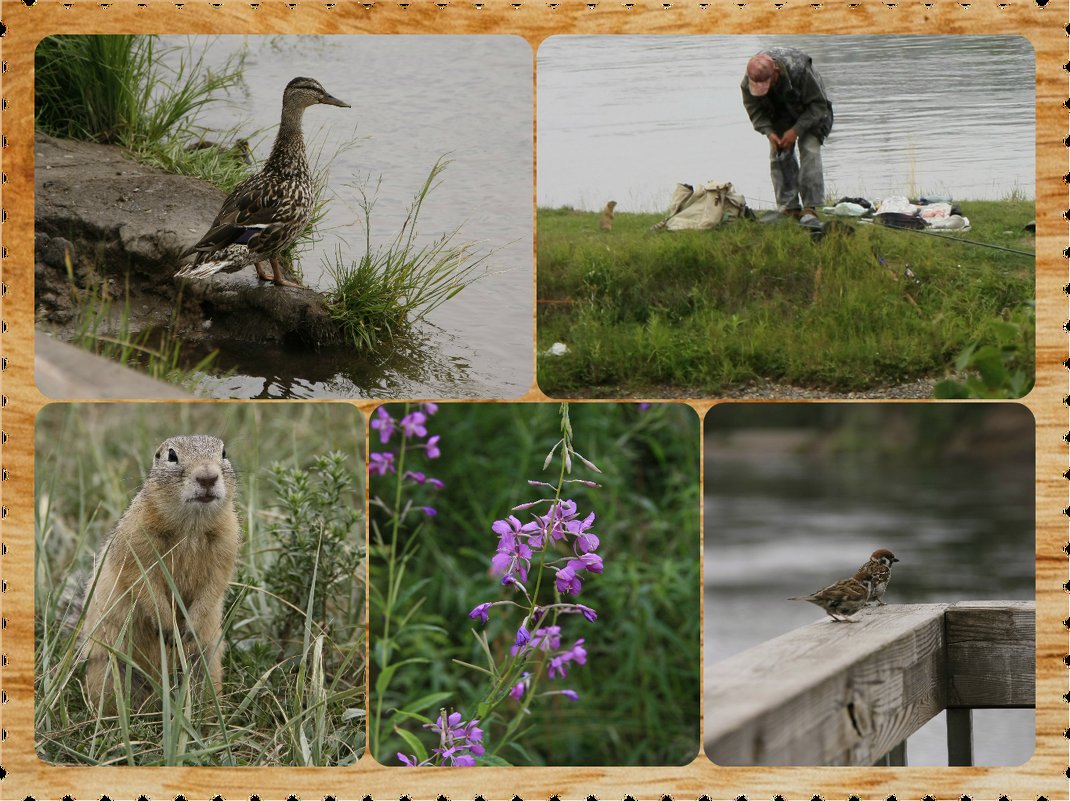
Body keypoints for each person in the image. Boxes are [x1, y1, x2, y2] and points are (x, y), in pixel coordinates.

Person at [741, 47, 834, 219]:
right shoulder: (750, 78)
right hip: (780, 114)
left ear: (775, 72)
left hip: (812, 111)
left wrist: (795, 131)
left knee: (810, 150)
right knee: (779, 154)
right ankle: (789, 207)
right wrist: (769, 132)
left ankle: (810, 207)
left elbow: (818, 105)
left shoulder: (800, 70)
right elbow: (754, 110)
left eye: (767, 84)